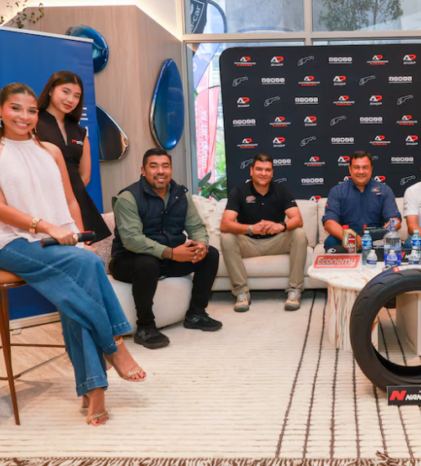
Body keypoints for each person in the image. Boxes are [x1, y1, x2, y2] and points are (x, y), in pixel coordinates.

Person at [0, 83, 145, 427]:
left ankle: (93, 387)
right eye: (15, 108)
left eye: (31, 110)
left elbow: (69, 200)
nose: (24, 116)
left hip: (58, 241)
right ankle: (114, 345)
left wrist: (79, 238)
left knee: (80, 278)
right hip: (11, 242)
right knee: (87, 265)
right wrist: (47, 227)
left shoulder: (50, 150)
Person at [109, 148, 221, 350]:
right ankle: (145, 327)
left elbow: (196, 227)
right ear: (143, 170)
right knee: (147, 263)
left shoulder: (181, 195)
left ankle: (196, 314)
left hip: (169, 258)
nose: (160, 171)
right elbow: (132, 240)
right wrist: (171, 253)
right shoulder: (128, 198)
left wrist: (201, 245)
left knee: (210, 254)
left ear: (171, 169)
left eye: (165, 166)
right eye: (154, 166)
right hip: (129, 260)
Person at [220, 154, 308, 312]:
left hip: (276, 242)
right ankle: (241, 292)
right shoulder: (239, 191)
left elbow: (298, 220)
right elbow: (225, 224)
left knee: (299, 234)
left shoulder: (281, 190)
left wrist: (281, 226)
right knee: (227, 238)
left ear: (272, 173)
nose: (263, 173)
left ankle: (294, 290)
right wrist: (250, 228)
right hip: (249, 243)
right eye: (259, 169)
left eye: (267, 170)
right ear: (251, 171)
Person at [36, 71, 111, 243]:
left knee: (84, 251)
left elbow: (85, 175)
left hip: (77, 201)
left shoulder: (79, 131)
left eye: (77, 96)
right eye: (66, 91)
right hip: (44, 204)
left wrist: (69, 198)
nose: (71, 99)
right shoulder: (33, 123)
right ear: (50, 90)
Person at [323, 150, 401, 250]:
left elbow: (395, 221)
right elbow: (329, 223)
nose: (361, 171)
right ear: (350, 169)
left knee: (393, 241)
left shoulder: (384, 190)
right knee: (330, 241)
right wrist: (352, 238)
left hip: (376, 240)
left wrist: (382, 235)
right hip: (347, 239)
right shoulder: (337, 191)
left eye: (365, 167)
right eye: (356, 167)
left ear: (371, 169)